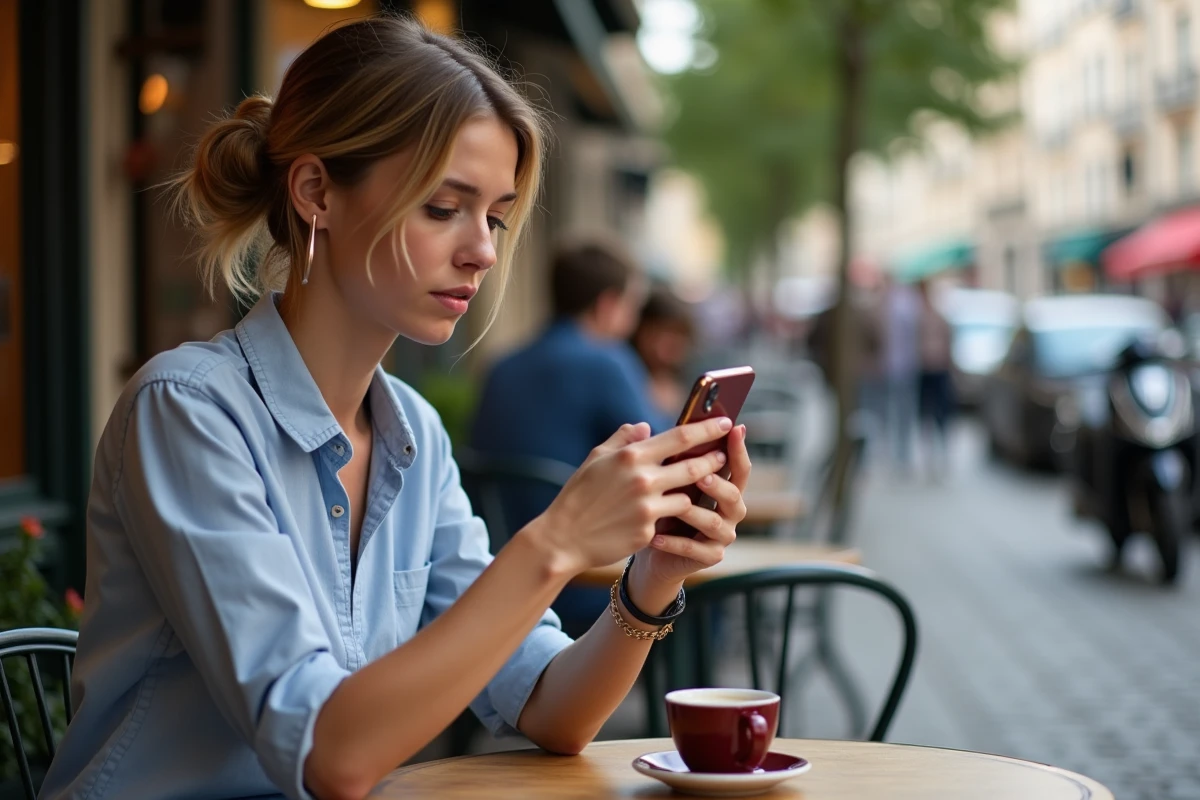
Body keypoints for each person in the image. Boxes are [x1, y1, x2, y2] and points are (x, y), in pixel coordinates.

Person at [41, 16, 750, 800]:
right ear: (316, 193)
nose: (482, 248)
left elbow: (551, 707)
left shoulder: (411, 432)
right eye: (444, 207)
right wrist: (557, 541)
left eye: (496, 216)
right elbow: (330, 754)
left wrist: (650, 579)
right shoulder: (187, 413)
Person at [469, 239, 673, 635]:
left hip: (498, 568)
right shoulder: (607, 361)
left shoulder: (500, 366)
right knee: (693, 591)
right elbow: (668, 453)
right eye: (631, 307)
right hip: (585, 575)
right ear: (608, 304)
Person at [630, 284, 697, 419]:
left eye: (675, 337)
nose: (662, 347)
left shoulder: (687, 381)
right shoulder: (627, 377)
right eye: (654, 335)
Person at [916, 279, 955, 478]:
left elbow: (949, 342)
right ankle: (930, 458)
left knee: (940, 414)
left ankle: (941, 457)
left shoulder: (938, 317)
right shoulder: (918, 317)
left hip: (938, 369)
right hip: (925, 370)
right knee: (925, 415)